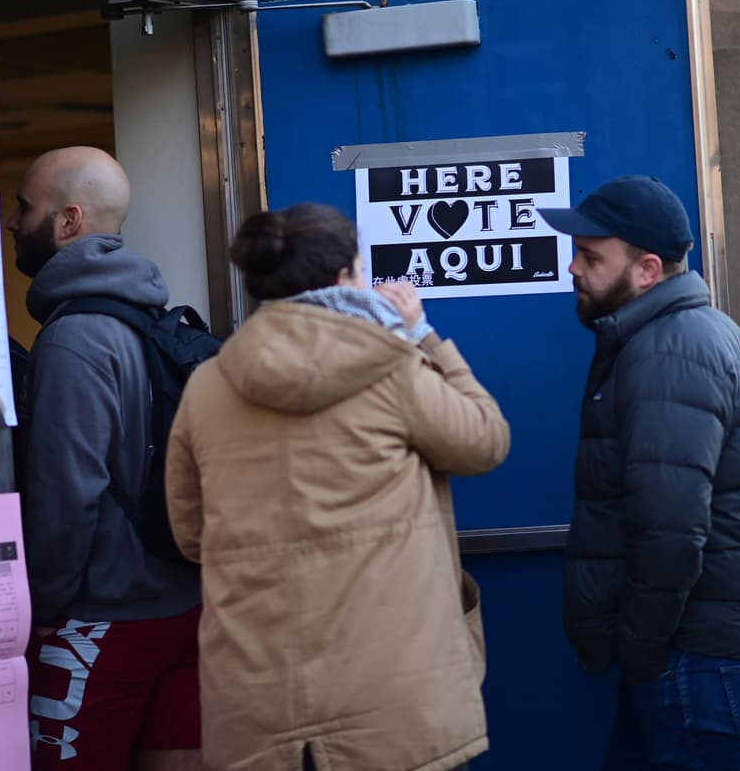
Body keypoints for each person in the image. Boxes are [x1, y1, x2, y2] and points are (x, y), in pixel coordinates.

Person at [164, 202, 511, 771]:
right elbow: (486, 442)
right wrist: (424, 334)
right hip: (394, 699)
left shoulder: (208, 386)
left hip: (259, 706)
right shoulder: (394, 366)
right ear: (347, 273)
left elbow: (192, 534)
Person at [537, 176, 740, 770]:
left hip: (695, 660)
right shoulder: (686, 336)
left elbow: (671, 528)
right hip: (698, 654)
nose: (573, 269)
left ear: (648, 270)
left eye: (591, 257)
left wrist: (644, 652)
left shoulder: (667, 351)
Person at [7, 146, 201, 771]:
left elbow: (68, 491)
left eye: (24, 207)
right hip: (184, 607)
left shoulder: (75, 336)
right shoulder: (151, 319)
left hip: (101, 621)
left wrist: (42, 607)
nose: (13, 222)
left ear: (68, 221)